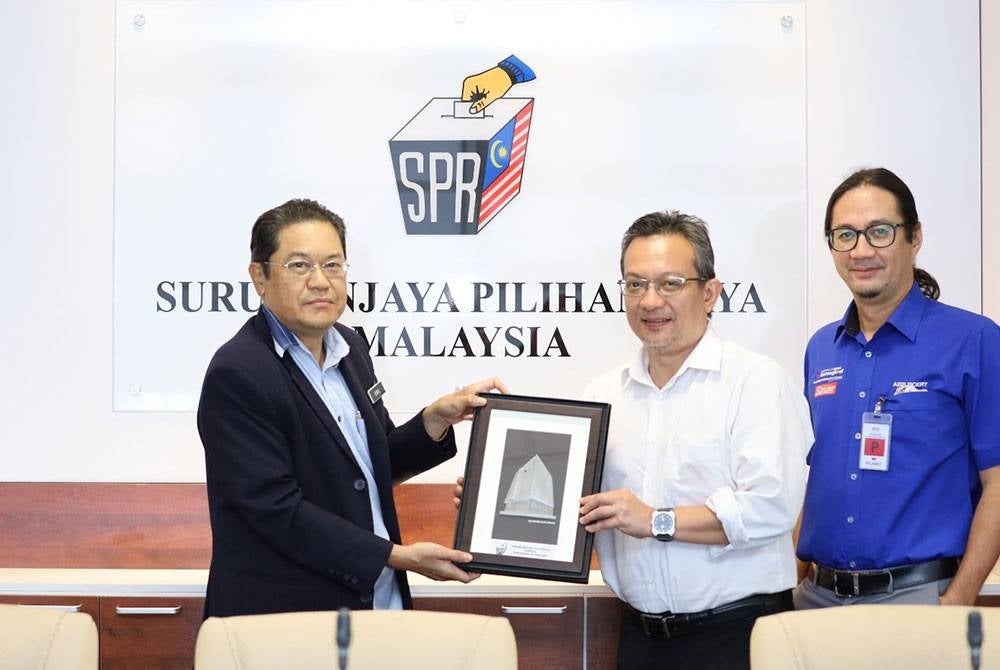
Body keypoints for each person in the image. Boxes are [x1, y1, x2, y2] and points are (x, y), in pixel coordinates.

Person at [198, 198, 506, 618]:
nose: (320, 281)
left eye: (333, 265)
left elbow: (369, 470)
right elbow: (276, 510)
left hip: (376, 604)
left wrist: (433, 420)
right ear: (259, 276)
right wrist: (396, 556)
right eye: (299, 265)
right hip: (285, 621)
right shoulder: (238, 372)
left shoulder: (351, 348)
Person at [577, 210, 812, 669]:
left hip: (739, 637)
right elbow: (583, 507)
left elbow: (771, 507)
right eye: (635, 284)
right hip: (640, 639)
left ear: (709, 293)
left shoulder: (755, 381)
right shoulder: (603, 395)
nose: (650, 301)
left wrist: (655, 520)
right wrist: (498, 505)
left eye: (670, 284)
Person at [795, 167, 1000, 608]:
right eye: (845, 235)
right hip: (817, 599)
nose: (861, 250)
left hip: (918, 600)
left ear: (915, 237)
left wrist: (958, 599)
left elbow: (998, 482)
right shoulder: (821, 349)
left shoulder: (974, 340)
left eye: (879, 232)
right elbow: (817, 479)